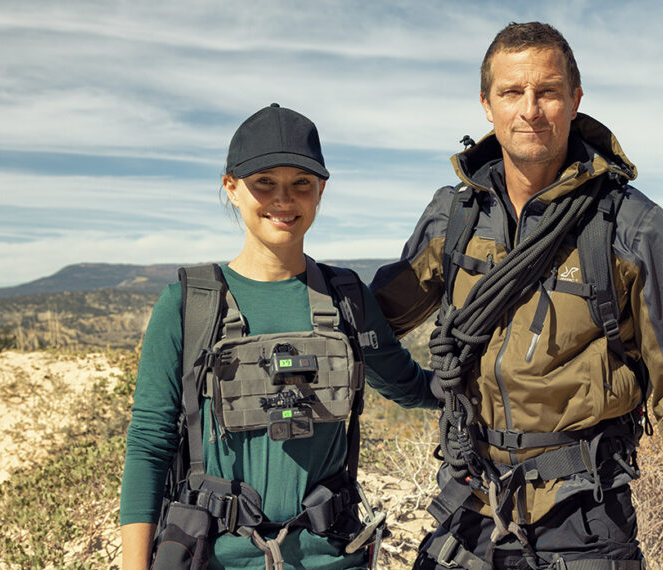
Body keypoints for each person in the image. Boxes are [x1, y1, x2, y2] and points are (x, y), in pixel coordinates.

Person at [370, 22, 663, 570]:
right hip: (469, 505)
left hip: (585, 517)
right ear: (487, 104)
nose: (530, 109)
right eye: (512, 92)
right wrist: (421, 389)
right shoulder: (457, 216)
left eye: (548, 91)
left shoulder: (631, 227)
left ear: (575, 100)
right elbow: (371, 323)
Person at [120, 103, 438, 570]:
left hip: (334, 559)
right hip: (217, 559)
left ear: (320, 191)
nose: (283, 199)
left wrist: (493, 381)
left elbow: (409, 386)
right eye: (264, 183)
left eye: (300, 184)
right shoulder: (189, 305)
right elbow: (149, 443)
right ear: (231, 187)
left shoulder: (347, 297)